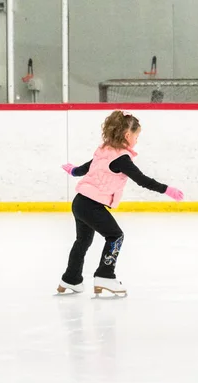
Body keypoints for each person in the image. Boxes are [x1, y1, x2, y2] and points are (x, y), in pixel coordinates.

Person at [57, 110, 184, 296]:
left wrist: (73, 171)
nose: (137, 140)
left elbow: (85, 168)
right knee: (115, 236)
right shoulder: (121, 158)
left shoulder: (104, 150)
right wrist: (167, 190)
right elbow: (142, 180)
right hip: (91, 204)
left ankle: (71, 279)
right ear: (127, 135)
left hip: (80, 202)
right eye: (136, 135)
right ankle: (105, 275)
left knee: (82, 241)